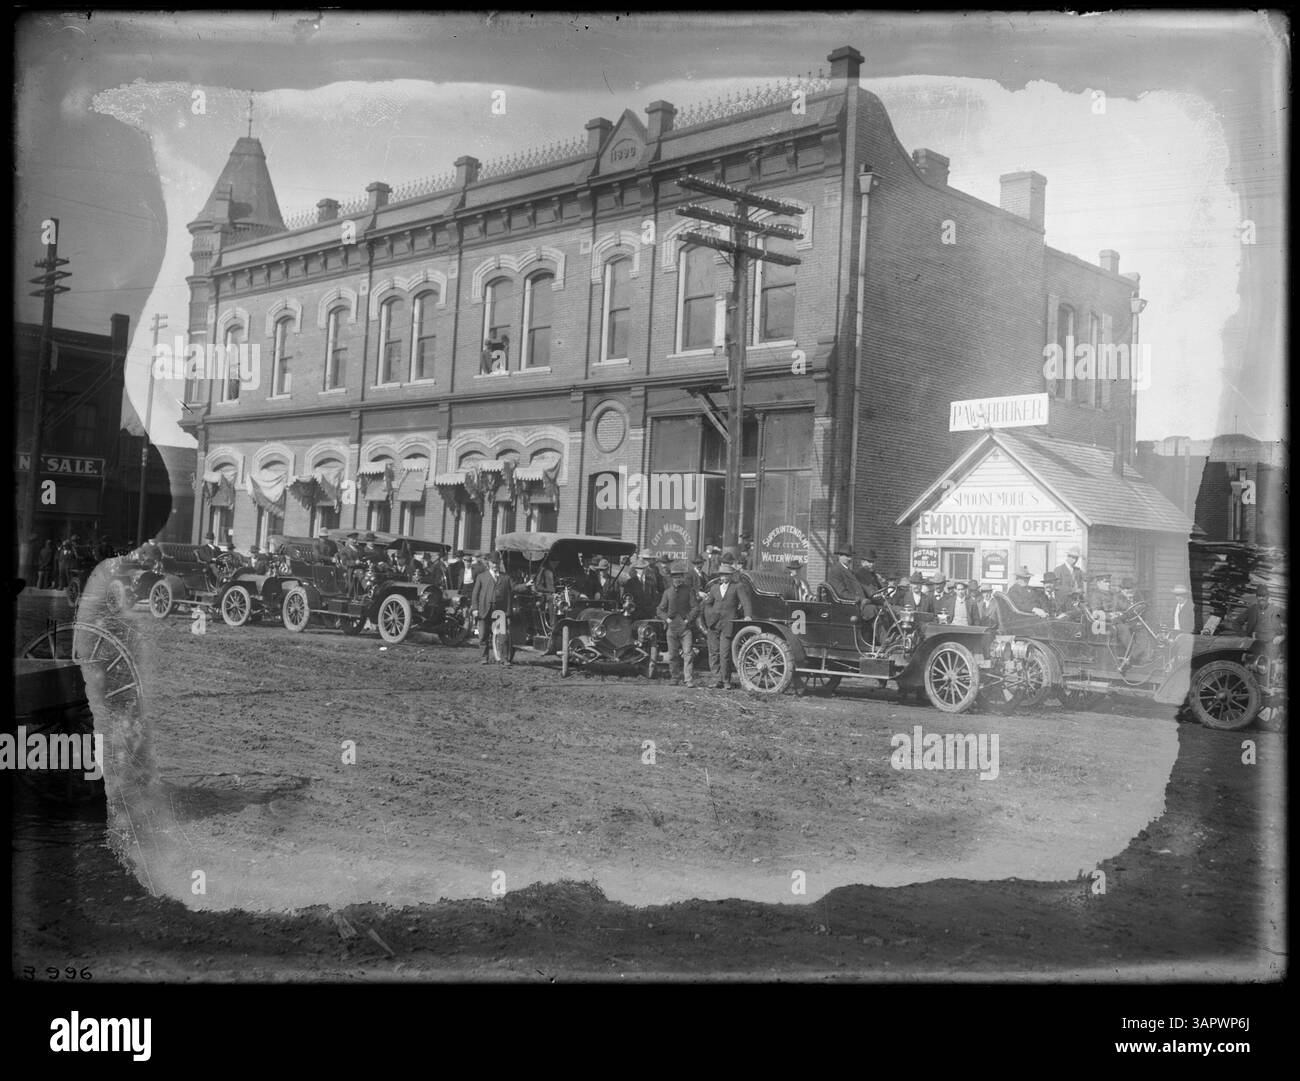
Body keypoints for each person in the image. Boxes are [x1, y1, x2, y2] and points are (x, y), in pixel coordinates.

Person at [702, 560, 753, 688]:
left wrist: (747, 615)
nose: (724, 577)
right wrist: (709, 616)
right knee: (713, 652)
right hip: (713, 624)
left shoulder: (737, 587)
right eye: (722, 575)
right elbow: (707, 604)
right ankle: (716, 679)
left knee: (724, 653)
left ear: (731, 576)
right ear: (719, 576)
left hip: (728, 625)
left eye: (726, 575)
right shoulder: (714, 588)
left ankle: (726, 681)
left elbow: (746, 602)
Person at [657, 563, 702, 687]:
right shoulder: (667, 592)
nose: (678, 579)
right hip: (671, 628)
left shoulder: (689, 591)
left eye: (680, 576)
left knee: (688, 653)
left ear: (683, 577)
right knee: (672, 655)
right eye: (675, 577)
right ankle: (674, 677)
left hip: (685, 628)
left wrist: (687, 620)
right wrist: (667, 620)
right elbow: (660, 610)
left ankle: (688, 679)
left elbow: (695, 608)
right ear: (672, 578)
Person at [470, 552, 514, 665]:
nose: (495, 565)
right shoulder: (481, 577)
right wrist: (475, 609)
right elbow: (475, 594)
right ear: (489, 563)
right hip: (484, 609)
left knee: (503, 636)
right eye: (493, 563)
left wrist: (526, 585)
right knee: (483, 636)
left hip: (500, 611)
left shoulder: (505, 577)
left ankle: (504, 659)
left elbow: (514, 587)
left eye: (497, 563)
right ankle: (484, 658)